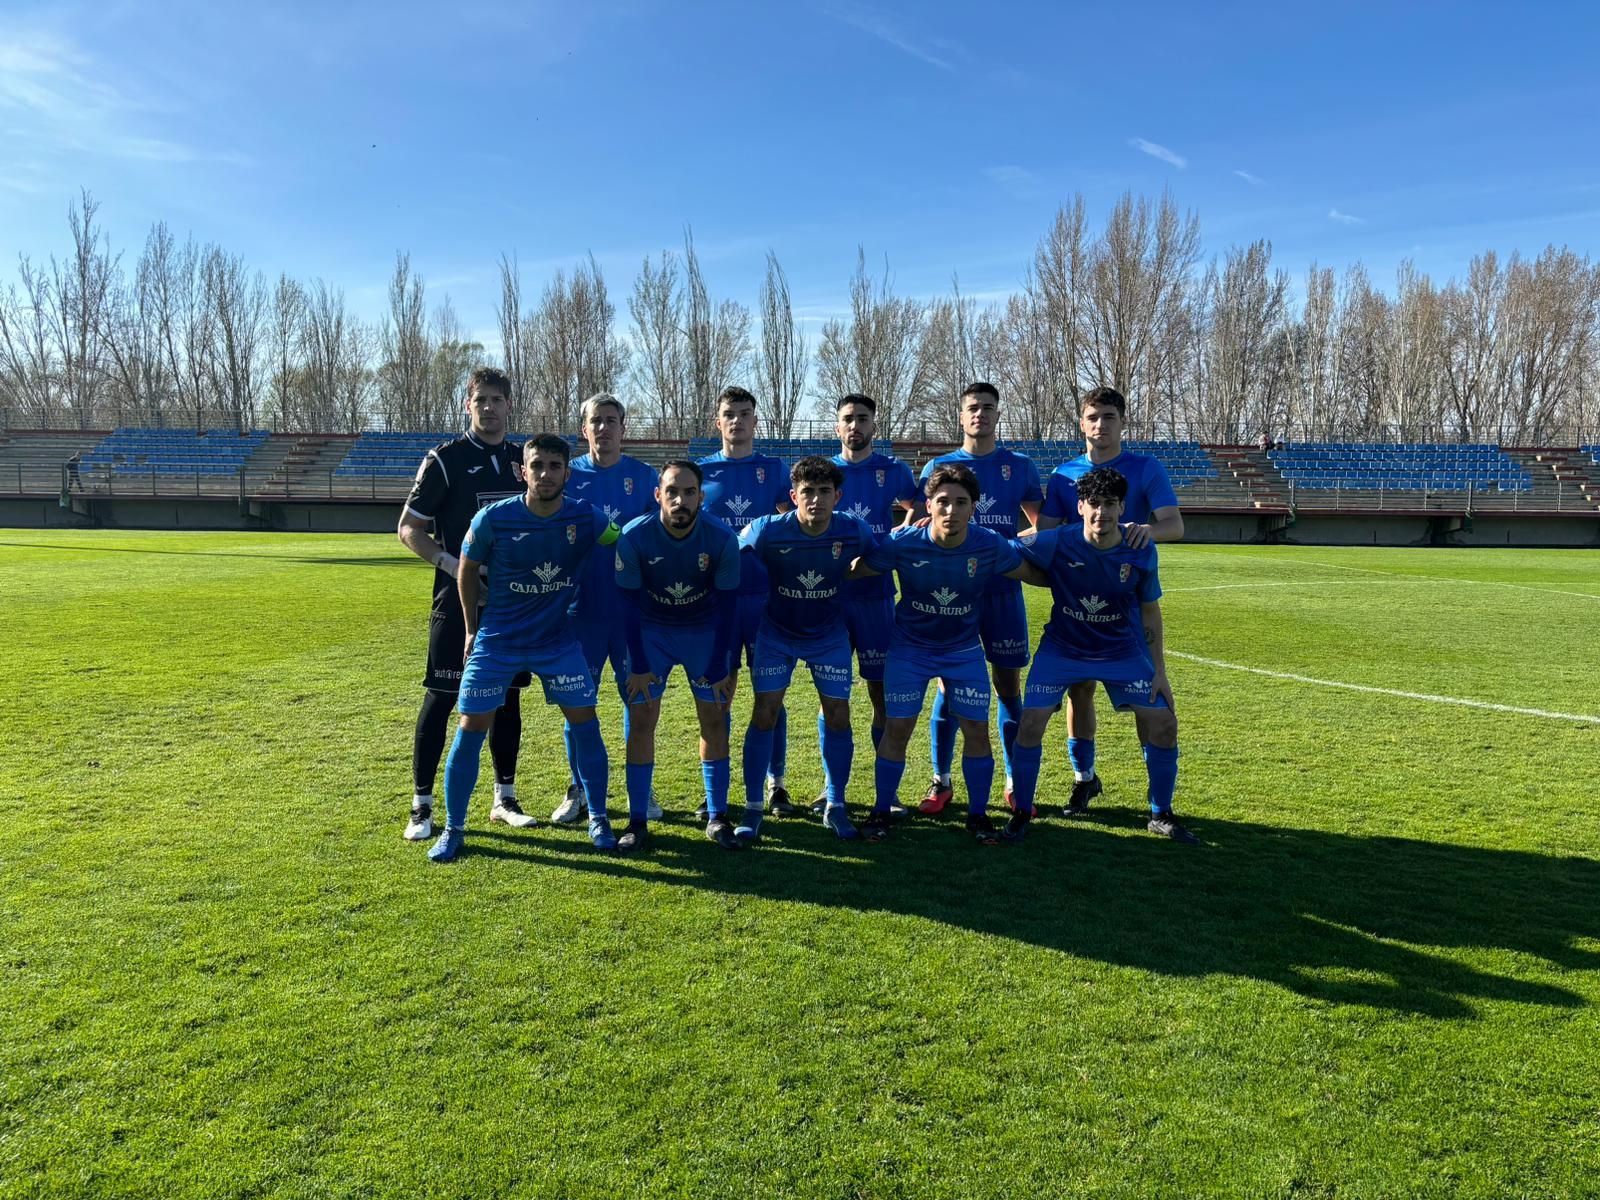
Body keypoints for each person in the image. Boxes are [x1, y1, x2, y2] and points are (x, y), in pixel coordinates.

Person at [426, 435, 621, 863]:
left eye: (555, 466)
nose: (545, 474)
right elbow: (467, 567)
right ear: (522, 471)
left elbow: (623, 537)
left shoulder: (586, 517)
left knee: (586, 721)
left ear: (568, 473)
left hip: (557, 640)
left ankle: (599, 819)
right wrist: (471, 629)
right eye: (537, 466)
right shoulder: (492, 519)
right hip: (498, 640)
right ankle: (454, 829)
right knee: (471, 726)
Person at [1007, 466, 1197, 843]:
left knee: (1164, 722)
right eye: (1094, 504)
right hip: (1063, 649)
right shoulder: (1056, 540)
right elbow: (1007, 551)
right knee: (1030, 722)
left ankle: (1161, 813)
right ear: (1080, 507)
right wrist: (1043, 577)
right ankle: (1021, 813)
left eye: (1110, 504)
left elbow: (1149, 610)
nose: (1101, 513)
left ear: (1122, 507)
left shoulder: (1140, 550)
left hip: (1121, 650)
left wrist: (1160, 671)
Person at [847, 463, 1033, 844]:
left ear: (974, 507)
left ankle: (978, 816)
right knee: (897, 727)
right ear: (927, 505)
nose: (951, 510)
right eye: (943, 502)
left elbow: (1033, 571)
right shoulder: (902, 543)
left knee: (976, 730)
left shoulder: (989, 544)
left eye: (961, 502)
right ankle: (882, 810)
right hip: (909, 650)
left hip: (963, 652)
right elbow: (856, 569)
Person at [1033, 386, 1184, 817]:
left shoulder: (1145, 467)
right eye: (1093, 417)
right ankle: (1084, 779)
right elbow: (1045, 532)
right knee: (1078, 691)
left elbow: (1173, 525)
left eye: (1110, 417)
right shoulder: (1064, 475)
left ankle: (1158, 804)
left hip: (1127, 606)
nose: (1101, 425)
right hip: (1078, 608)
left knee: (1146, 699)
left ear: (1122, 422)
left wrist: (1142, 531)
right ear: (1082, 423)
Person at [396, 367, 533, 841]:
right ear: (467, 405)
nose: (490, 407)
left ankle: (504, 797)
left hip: (514, 605)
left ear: (509, 405)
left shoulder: (524, 461)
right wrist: (451, 564)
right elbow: (408, 527)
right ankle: (421, 806)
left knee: (508, 698)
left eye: (498, 399)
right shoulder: (445, 460)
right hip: (458, 603)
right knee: (442, 695)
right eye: (481, 400)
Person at [916, 382, 1042, 816]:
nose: (980, 415)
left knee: (1008, 687)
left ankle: (1012, 780)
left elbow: (1039, 526)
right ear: (961, 414)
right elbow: (921, 523)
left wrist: (1000, 546)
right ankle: (941, 780)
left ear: (998, 414)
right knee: (948, 685)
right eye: (973, 408)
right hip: (951, 595)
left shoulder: (1019, 466)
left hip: (1004, 593)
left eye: (988, 408)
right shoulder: (940, 464)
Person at [738, 457, 878, 841]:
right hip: (776, 633)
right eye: (807, 492)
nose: (815, 499)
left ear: (838, 496)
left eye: (824, 492)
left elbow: (881, 555)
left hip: (829, 635)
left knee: (837, 713)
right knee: (764, 711)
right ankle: (753, 808)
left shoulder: (853, 529)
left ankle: (836, 804)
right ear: (793, 496)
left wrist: (853, 572)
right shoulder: (767, 529)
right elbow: (728, 551)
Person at [615, 460, 743, 850]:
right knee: (640, 720)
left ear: (701, 497)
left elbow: (728, 607)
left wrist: (723, 663)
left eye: (689, 492)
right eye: (672, 491)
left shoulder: (721, 538)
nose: (680, 500)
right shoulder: (634, 536)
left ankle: (718, 815)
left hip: (703, 633)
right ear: (658, 495)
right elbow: (626, 606)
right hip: (651, 634)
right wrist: (637, 663)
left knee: (715, 720)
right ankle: (637, 821)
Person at [551, 393, 661, 826]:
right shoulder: (567, 475)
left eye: (611, 421)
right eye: (595, 421)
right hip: (581, 612)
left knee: (640, 701)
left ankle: (641, 787)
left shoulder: (643, 475)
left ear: (623, 428)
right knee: (578, 703)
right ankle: (577, 789)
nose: (603, 428)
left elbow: (659, 538)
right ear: (584, 429)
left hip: (633, 612)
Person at [816, 394, 920, 815]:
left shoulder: (894, 471)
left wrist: (896, 538)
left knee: (882, 695)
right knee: (831, 698)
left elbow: (918, 509)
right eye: (847, 419)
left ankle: (887, 791)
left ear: (874, 425)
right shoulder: (824, 473)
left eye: (863, 419)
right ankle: (832, 788)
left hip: (877, 599)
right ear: (837, 427)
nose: (855, 425)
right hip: (832, 600)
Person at [696, 386, 794, 815]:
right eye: (728, 414)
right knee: (719, 692)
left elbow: (794, 525)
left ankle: (776, 783)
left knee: (771, 694)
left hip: (766, 600)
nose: (736, 420)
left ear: (756, 421)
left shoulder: (774, 470)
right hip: (716, 603)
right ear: (717, 422)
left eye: (744, 413)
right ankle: (715, 790)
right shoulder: (699, 473)